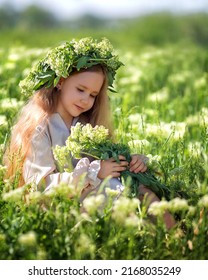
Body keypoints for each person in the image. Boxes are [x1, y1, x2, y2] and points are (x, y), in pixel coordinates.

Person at [3, 37, 175, 229]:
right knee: (118, 192)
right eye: (80, 89)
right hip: (60, 208)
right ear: (60, 82)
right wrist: (94, 172)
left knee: (138, 185)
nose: (86, 100)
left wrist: (130, 162)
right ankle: (150, 238)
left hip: (90, 195)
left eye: (93, 95)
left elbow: (107, 162)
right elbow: (41, 187)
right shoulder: (40, 128)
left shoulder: (87, 124)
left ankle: (176, 237)